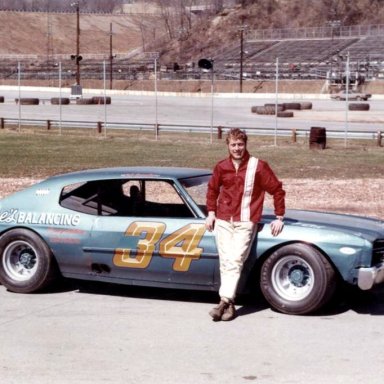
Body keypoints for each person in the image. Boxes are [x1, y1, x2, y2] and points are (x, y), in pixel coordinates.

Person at [205, 128, 285, 321]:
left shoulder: (258, 166)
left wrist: (279, 216)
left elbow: (277, 190)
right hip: (223, 220)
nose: (237, 148)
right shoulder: (221, 166)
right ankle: (229, 305)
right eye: (233, 145)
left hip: (246, 221)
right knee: (226, 262)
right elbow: (212, 190)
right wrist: (211, 213)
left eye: (240, 144)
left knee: (235, 260)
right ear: (228, 146)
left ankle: (223, 301)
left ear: (245, 145)